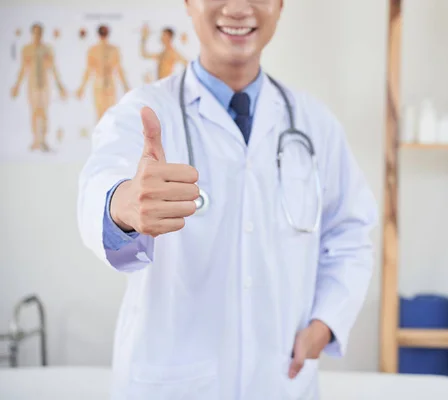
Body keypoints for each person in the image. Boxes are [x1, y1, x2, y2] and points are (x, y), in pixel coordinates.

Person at [77, 1, 378, 399]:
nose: (238, 8)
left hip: (281, 381)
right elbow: (100, 184)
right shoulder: (143, 113)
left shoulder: (314, 123)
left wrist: (326, 322)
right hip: (172, 384)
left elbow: (351, 232)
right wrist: (124, 205)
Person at [10, 23, 67, 152]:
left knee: (44, 111)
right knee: (34, 111)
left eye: (39, 32)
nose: (37, 35)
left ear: (42, 33)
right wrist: (17, 86)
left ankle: (44, 140)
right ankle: (36, 140)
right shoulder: (26, 49)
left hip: (45, 84)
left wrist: (60, 86)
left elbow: (53, 68)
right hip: (32, 85)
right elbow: (23, 69)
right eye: (35, 32)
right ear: (32, 33)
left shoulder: (47, 49)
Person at [76, 25, 130, 121]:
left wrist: (125, 86)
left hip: (109, 84)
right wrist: (81, 88)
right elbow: (88, 70)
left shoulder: (113, 49)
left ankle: (108, 134)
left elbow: (118, 69)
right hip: (99, 84)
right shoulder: (93, 50)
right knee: (100, 114)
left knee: (110, 113)